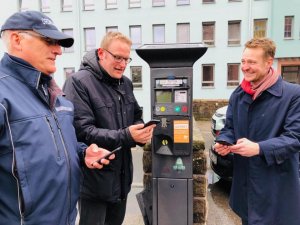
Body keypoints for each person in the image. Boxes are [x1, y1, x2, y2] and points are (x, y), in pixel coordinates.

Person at [0, 11, 114, 225]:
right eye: (48, 41)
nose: (58, 51)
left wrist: (83, 153)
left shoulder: (55, 95)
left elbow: (56, 146)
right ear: (17, 40)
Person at [63, 31, 156, 225]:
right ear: (101, 53)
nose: (122, 64)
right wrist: (126, 136)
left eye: (126, 59)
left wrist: (140, 130)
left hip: (121, 181)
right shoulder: (79, 82)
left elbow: (136, 116)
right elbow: (82, 131)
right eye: (118, 57)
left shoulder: (126, 84)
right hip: (94, 184)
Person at [214, 37, 300, 225]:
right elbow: (230, 127)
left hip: (277, 192)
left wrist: (259, 148)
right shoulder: (238, 94)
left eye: (252, 62)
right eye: (243, 61)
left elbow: (294, 138)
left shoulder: (293, 95)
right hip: (245, 190)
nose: (245, 67)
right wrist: (225, 142)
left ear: (269, 62)